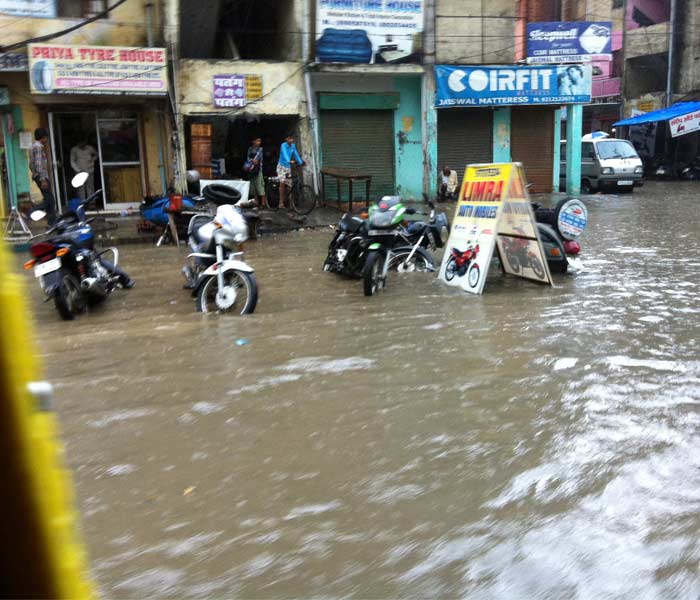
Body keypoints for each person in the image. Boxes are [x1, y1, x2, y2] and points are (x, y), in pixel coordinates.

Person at [30, 128, 56, 225]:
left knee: (49, 200)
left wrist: (34, 174)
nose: (47, 139)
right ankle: (32, 211)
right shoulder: (38, 147)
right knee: (50, 200)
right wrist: (42, 179)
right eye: (46, 137)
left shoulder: (33, 146)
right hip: (42, 177)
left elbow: (31, 164)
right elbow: (38, 164)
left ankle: (52, 222)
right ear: (43, 137)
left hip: (39, 176)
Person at [277, 133, 304, 217]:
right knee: (282, 182)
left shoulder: (293, 146)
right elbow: (285, 154)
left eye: (292, 139)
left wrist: (301, 162)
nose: (291, 140)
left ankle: (291, 204)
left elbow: (295, 154)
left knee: (289, 186)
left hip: (288, 167)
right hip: (281, 166)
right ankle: (280, 203)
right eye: (289, 138)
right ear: (286, 139)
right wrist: (289, 160)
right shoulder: (283, 145)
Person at [245, 136, 267, 208]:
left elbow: (257, 158)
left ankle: (263, 204)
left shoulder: (260, 149)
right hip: (251, 170)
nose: (259, 142)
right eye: (257, 141)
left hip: (258, 170)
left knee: (260, 186)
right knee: (253, 187)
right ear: (253, 141)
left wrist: (252, 160)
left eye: (259, 141)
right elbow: (248, 158)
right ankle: (256, 203)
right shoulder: (250, 149)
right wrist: (252, 161)